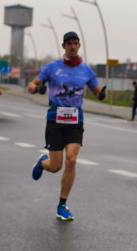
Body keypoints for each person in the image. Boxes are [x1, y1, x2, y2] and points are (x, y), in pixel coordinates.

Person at [27, 31, 107, 221]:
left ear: (79, 46)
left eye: (75, 43)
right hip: (55, 119)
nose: (72, 46)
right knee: (55, 166)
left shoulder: (86, 70)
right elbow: (31, 86)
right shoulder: (52, 68)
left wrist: (101, 95)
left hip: (75, 120)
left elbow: (96, 91)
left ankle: (62, 204)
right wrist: (38, 88)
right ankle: (43, 162)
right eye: (69, 43)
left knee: (71, 159)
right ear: (64, 46)